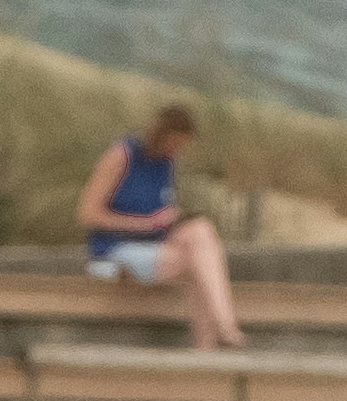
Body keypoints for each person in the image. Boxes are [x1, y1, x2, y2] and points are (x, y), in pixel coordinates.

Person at [75, 104, 246, 351]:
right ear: (162, 135)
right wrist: (143, 224)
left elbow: (158, 207)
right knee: (194, 263)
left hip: (155, 241)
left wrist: (168, 219)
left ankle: (223, 329)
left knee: (201, 230)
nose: (177, 151)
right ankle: (211, 341)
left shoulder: (168, 162)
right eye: (175, 144)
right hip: (117, 246)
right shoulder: (122, 155)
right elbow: (88, 214)